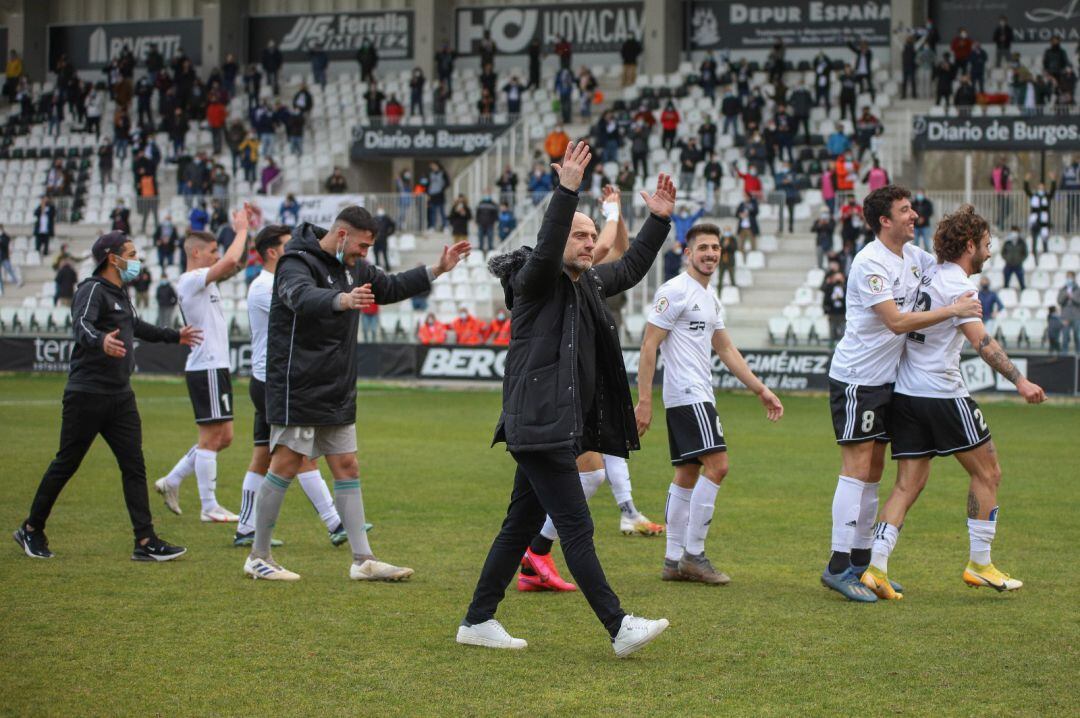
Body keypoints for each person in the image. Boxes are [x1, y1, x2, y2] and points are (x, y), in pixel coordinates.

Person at [457, 142, 672, 656]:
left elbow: (633, 265)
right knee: (577, 526)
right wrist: (567, 191)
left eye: (592, 235)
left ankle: (477, 619)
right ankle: (619, 627)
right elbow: (548, 246)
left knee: (519, 526)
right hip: (539, 425)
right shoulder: (533, 281)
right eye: (580, 234)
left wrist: (658, 220)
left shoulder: (587, 283)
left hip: (548, 427)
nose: (588, 242)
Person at [243, 207, 470, 581]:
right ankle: (258, 555)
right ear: (342, 234)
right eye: (363, 245)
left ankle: (362, 559)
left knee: (347, 465)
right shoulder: (295, 262)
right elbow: (301, 298)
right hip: (297, 385)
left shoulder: (357, 267)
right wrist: (342, 301)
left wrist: (437, 269)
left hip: (337, 385)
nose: (366, 253)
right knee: (284, 464)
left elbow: (391, 287)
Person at [861, 206, 1046, 600]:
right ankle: (979, 564)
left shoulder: (927, 274)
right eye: (986, 245)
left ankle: (876, 567)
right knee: (989, 473)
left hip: (906, 395)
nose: (989, 252)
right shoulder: (960, 287)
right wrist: (1021, 380)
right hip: (942, 393)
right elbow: (982, 342)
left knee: (908, 484)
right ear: (968, 246)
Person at [821, 185, 982, 602]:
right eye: (905, 210)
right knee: (856, 469)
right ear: (884, 221)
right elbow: (894, 322)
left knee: (874, 471)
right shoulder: (870, 262)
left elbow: (948, 270)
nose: (914, 215)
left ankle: (862, 563)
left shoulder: (915, 257)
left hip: (888, 381)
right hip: (857, 379)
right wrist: (954, 310)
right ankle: (837, 566)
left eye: (912, 208)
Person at [13, 232, 199, 560]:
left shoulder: (119, 292)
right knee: (66, 464)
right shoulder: (91, 289)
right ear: (113, 258)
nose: (136, 258)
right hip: (87, 394)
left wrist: (174, 336)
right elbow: (81, 326)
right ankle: (31, 529)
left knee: (134, 465)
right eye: (131, 253)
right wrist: (101, 341)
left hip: (120, 396)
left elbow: (136, 326)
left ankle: (145, 542)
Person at [637, 223, 784, 583]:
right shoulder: (675, 291)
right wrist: (643, 401)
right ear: (688, 253)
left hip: (696, 393)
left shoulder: (709, 297)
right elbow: (649, 345)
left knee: (687, 474)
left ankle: (673, 561)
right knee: (718, 466)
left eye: (715, 248)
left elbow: (726, 349)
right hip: (688, 394)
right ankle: (694, 555)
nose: (710, 254)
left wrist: (760, 390)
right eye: (703, 247)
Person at [236, 225, 365, 547]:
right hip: (276, 381)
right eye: (286, 245)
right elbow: (307, 306)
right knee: (292, 456)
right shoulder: (268, 285)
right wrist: (339, 299)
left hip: (272, 378)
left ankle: (246, 528)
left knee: (268, 456)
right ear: (272, 252)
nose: (295, 249)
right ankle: (332, 522)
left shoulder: (278, 279)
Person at [155, 208, 252, 523]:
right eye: (211, 251)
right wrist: (240, 230)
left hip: (215, 367)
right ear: (195, 253)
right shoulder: (190, 280)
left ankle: (172, 479)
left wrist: (247, 242)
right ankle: (209, 506)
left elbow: (232, 265)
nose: (216, 255)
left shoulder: (203, 282)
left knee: (224, 437)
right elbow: (227, 263)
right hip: (206, 367)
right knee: (212, 438)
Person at [1024, 173, 1056, 259]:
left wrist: (1053, 181)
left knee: (1044, 239)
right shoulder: (1034, 196)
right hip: (1035, 221)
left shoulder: (1046, 196)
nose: (1041, 189)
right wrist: (1026, 181)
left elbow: (1053, 192)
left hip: (1044, 221)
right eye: (1039, 187)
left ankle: (1045, 255)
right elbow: (1027, 190)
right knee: (1034, 239)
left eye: (1042, 187)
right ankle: (1034, 255)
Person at [822, 266, 846, 345]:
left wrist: (839, 299)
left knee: (843, 333)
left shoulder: (846, 288)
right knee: (832, 332)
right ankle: (831, 349)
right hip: (832, 313)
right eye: (836, 278)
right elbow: (825, 297)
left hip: (843, 314)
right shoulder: (829, 287)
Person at [1059, 272, 1080, 354]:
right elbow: (1059, 301)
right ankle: (1064, 357)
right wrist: (1065, 296)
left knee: (1077, 337)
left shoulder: (1078, 290)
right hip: (1065, 317)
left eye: (1070, 277)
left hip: (1076, 317)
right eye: (1067, 277)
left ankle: (1078, 355)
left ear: (1074, 278)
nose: (1069, 279)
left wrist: (1072, 297)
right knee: (1065, 337)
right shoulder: (1063, 289)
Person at [0, 225, 21, 292]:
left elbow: (6, 245)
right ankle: (1, 289)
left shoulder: (5, 237)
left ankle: (17, 281)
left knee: (9, 269)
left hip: (4, 257)